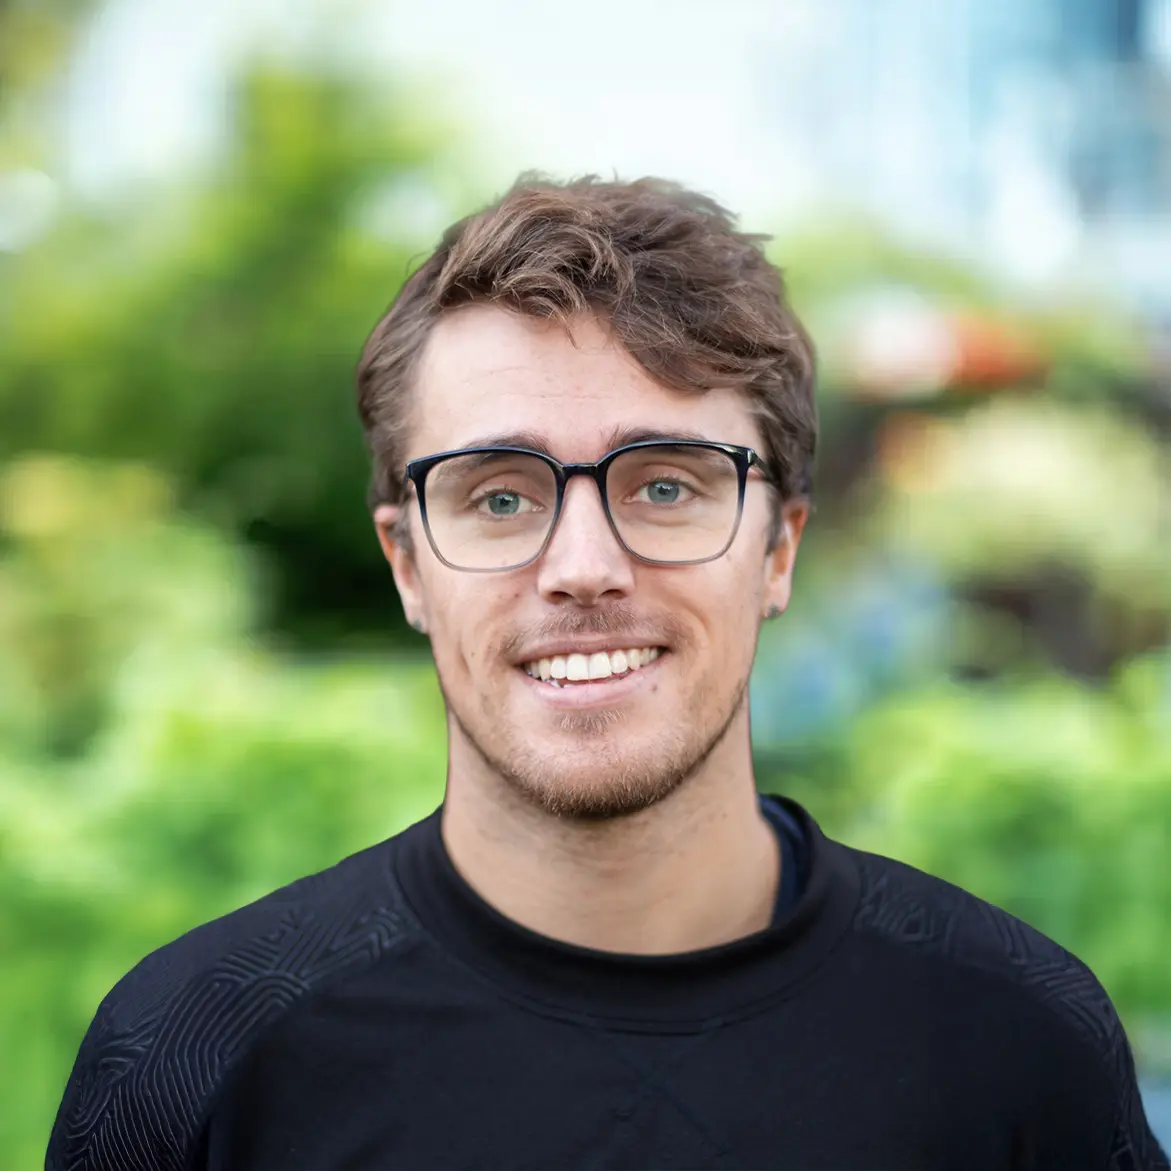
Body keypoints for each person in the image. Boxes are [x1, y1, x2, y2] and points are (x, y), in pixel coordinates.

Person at [47, 174, 1168, 1171]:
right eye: (498, 496)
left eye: (667, 486)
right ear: (407, 563)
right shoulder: (193, 1058)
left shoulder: (1017, 1043)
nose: (583, 567)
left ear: (777, 548)